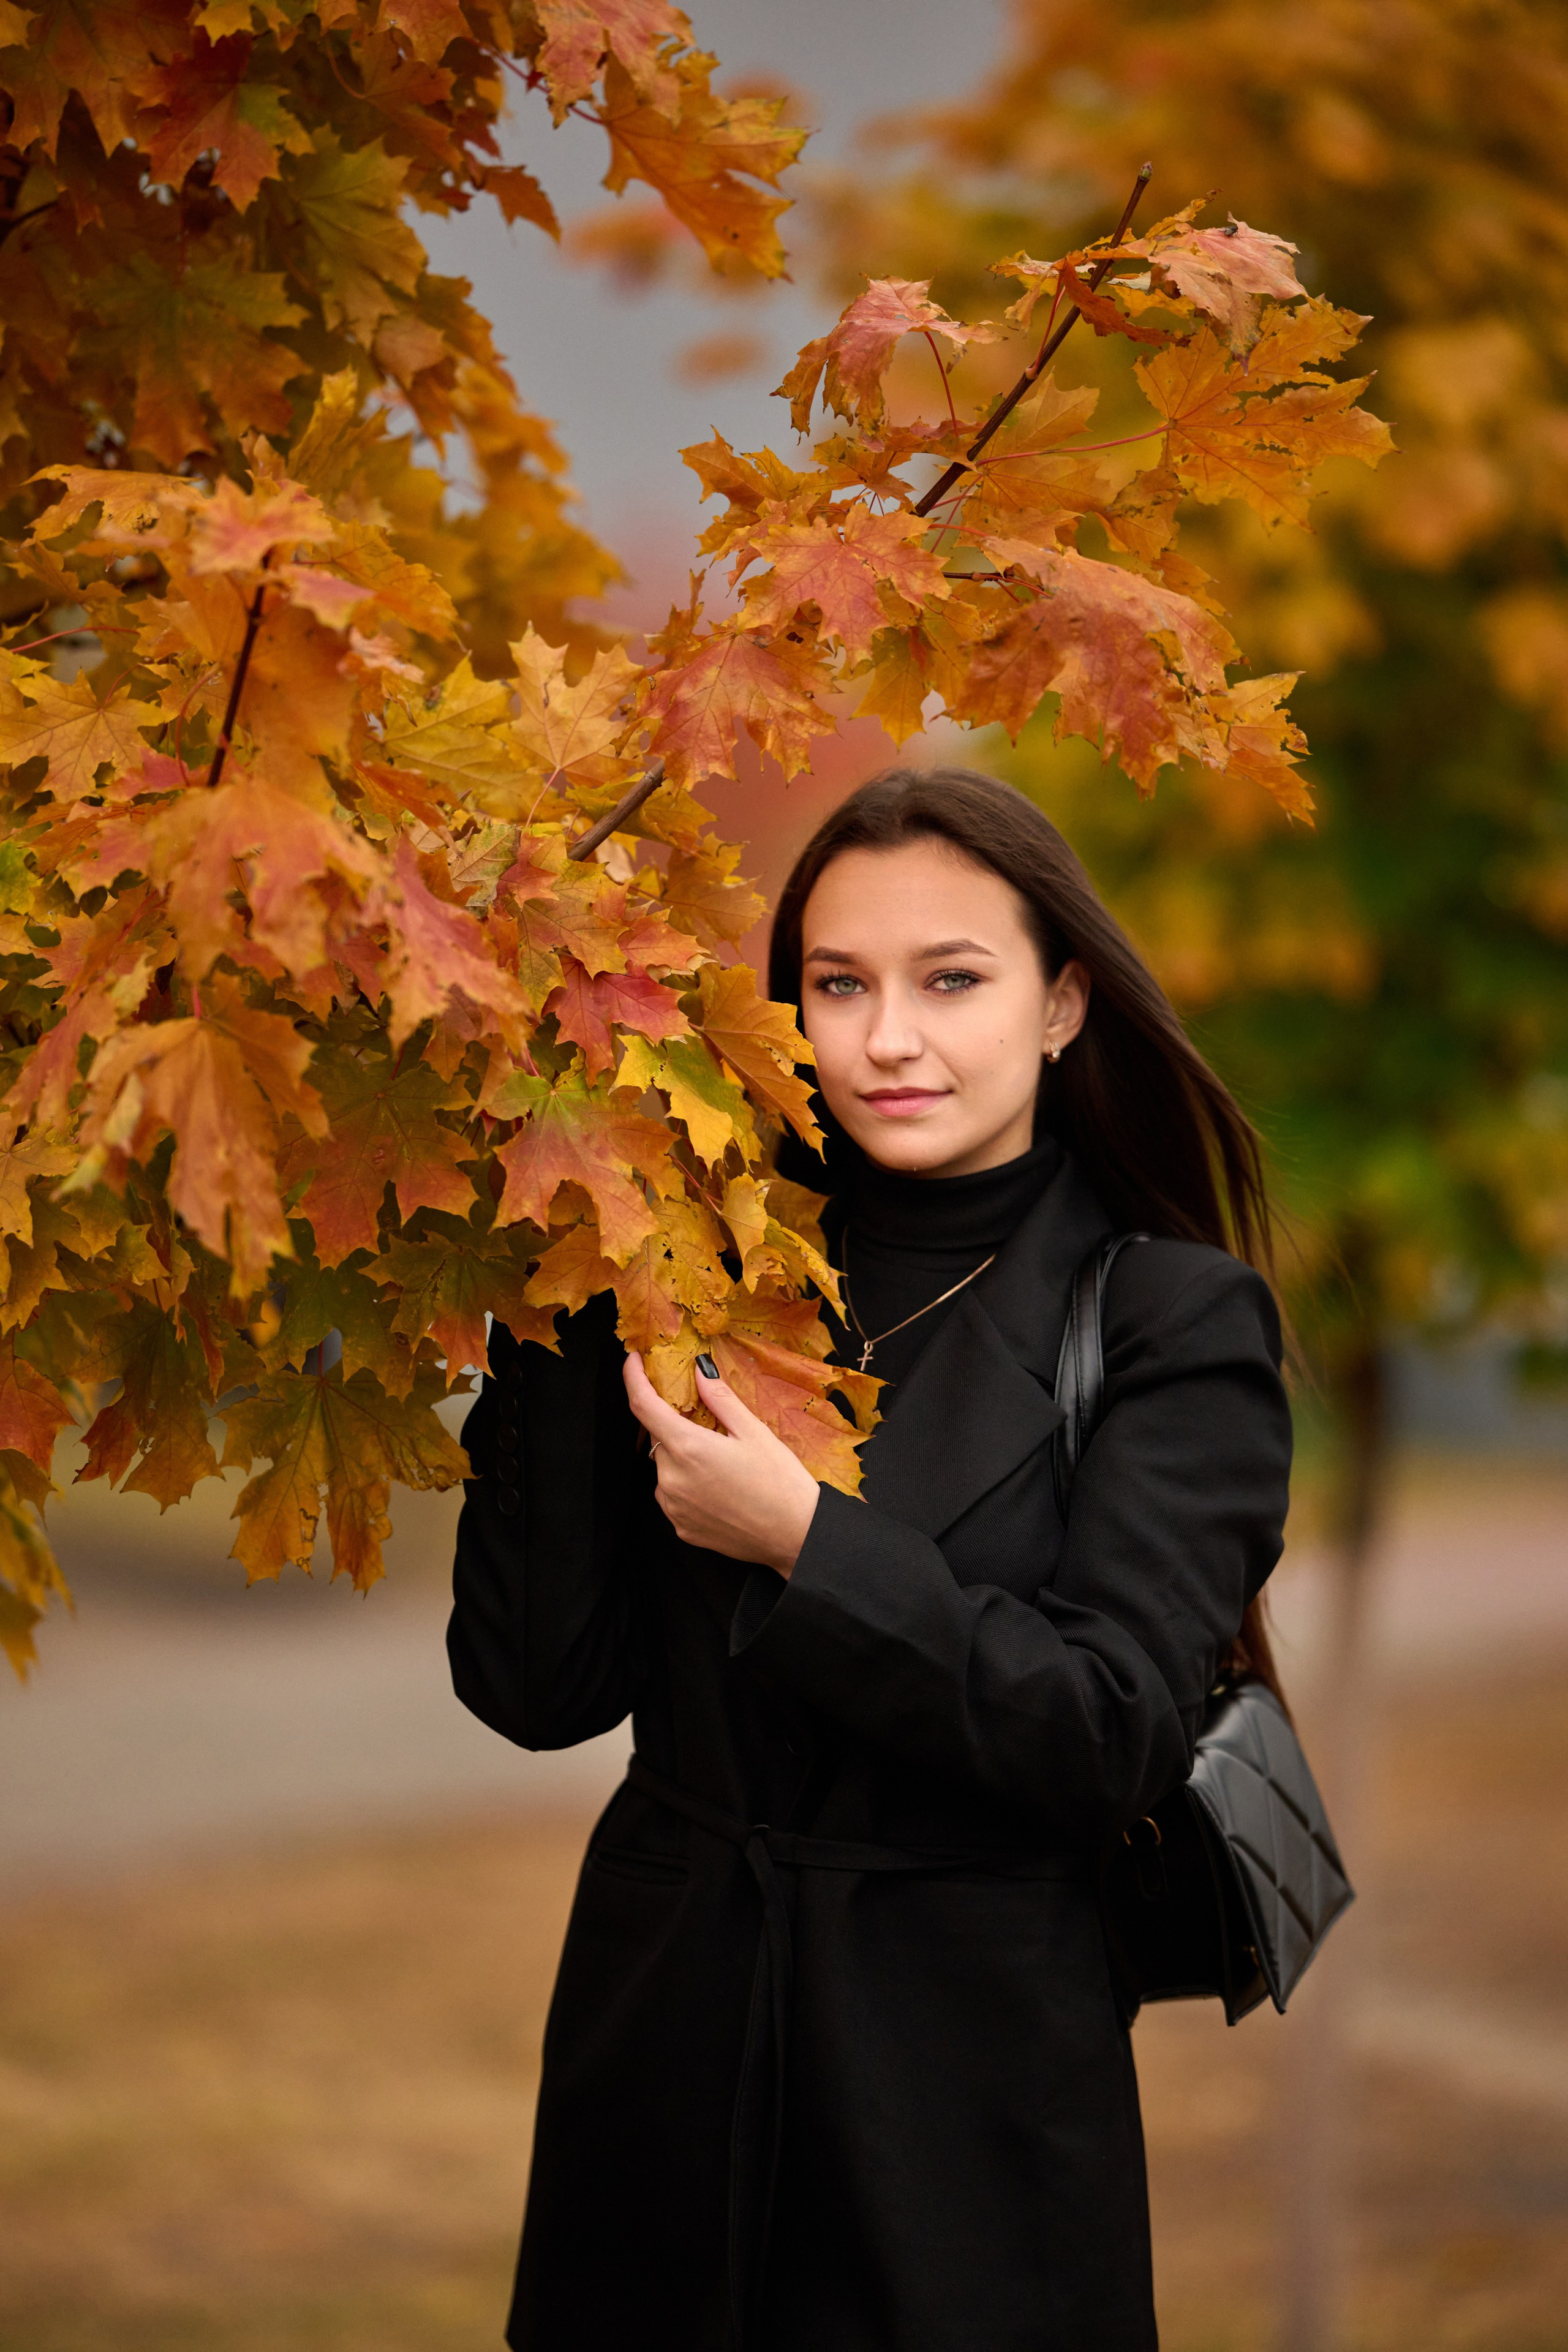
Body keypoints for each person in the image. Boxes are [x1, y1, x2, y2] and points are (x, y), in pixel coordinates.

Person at [448, 765, 1293, 2352]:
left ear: (1061, 1006)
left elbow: (1106, 1729)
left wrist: (801, 1545)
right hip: (664, 2079)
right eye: (838, 985)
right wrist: (565, 1278)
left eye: (949, 980)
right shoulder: (701, 1271)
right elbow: (537, 1691)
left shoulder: (1170, 1318)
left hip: (962, 2112)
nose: (885, 1037)